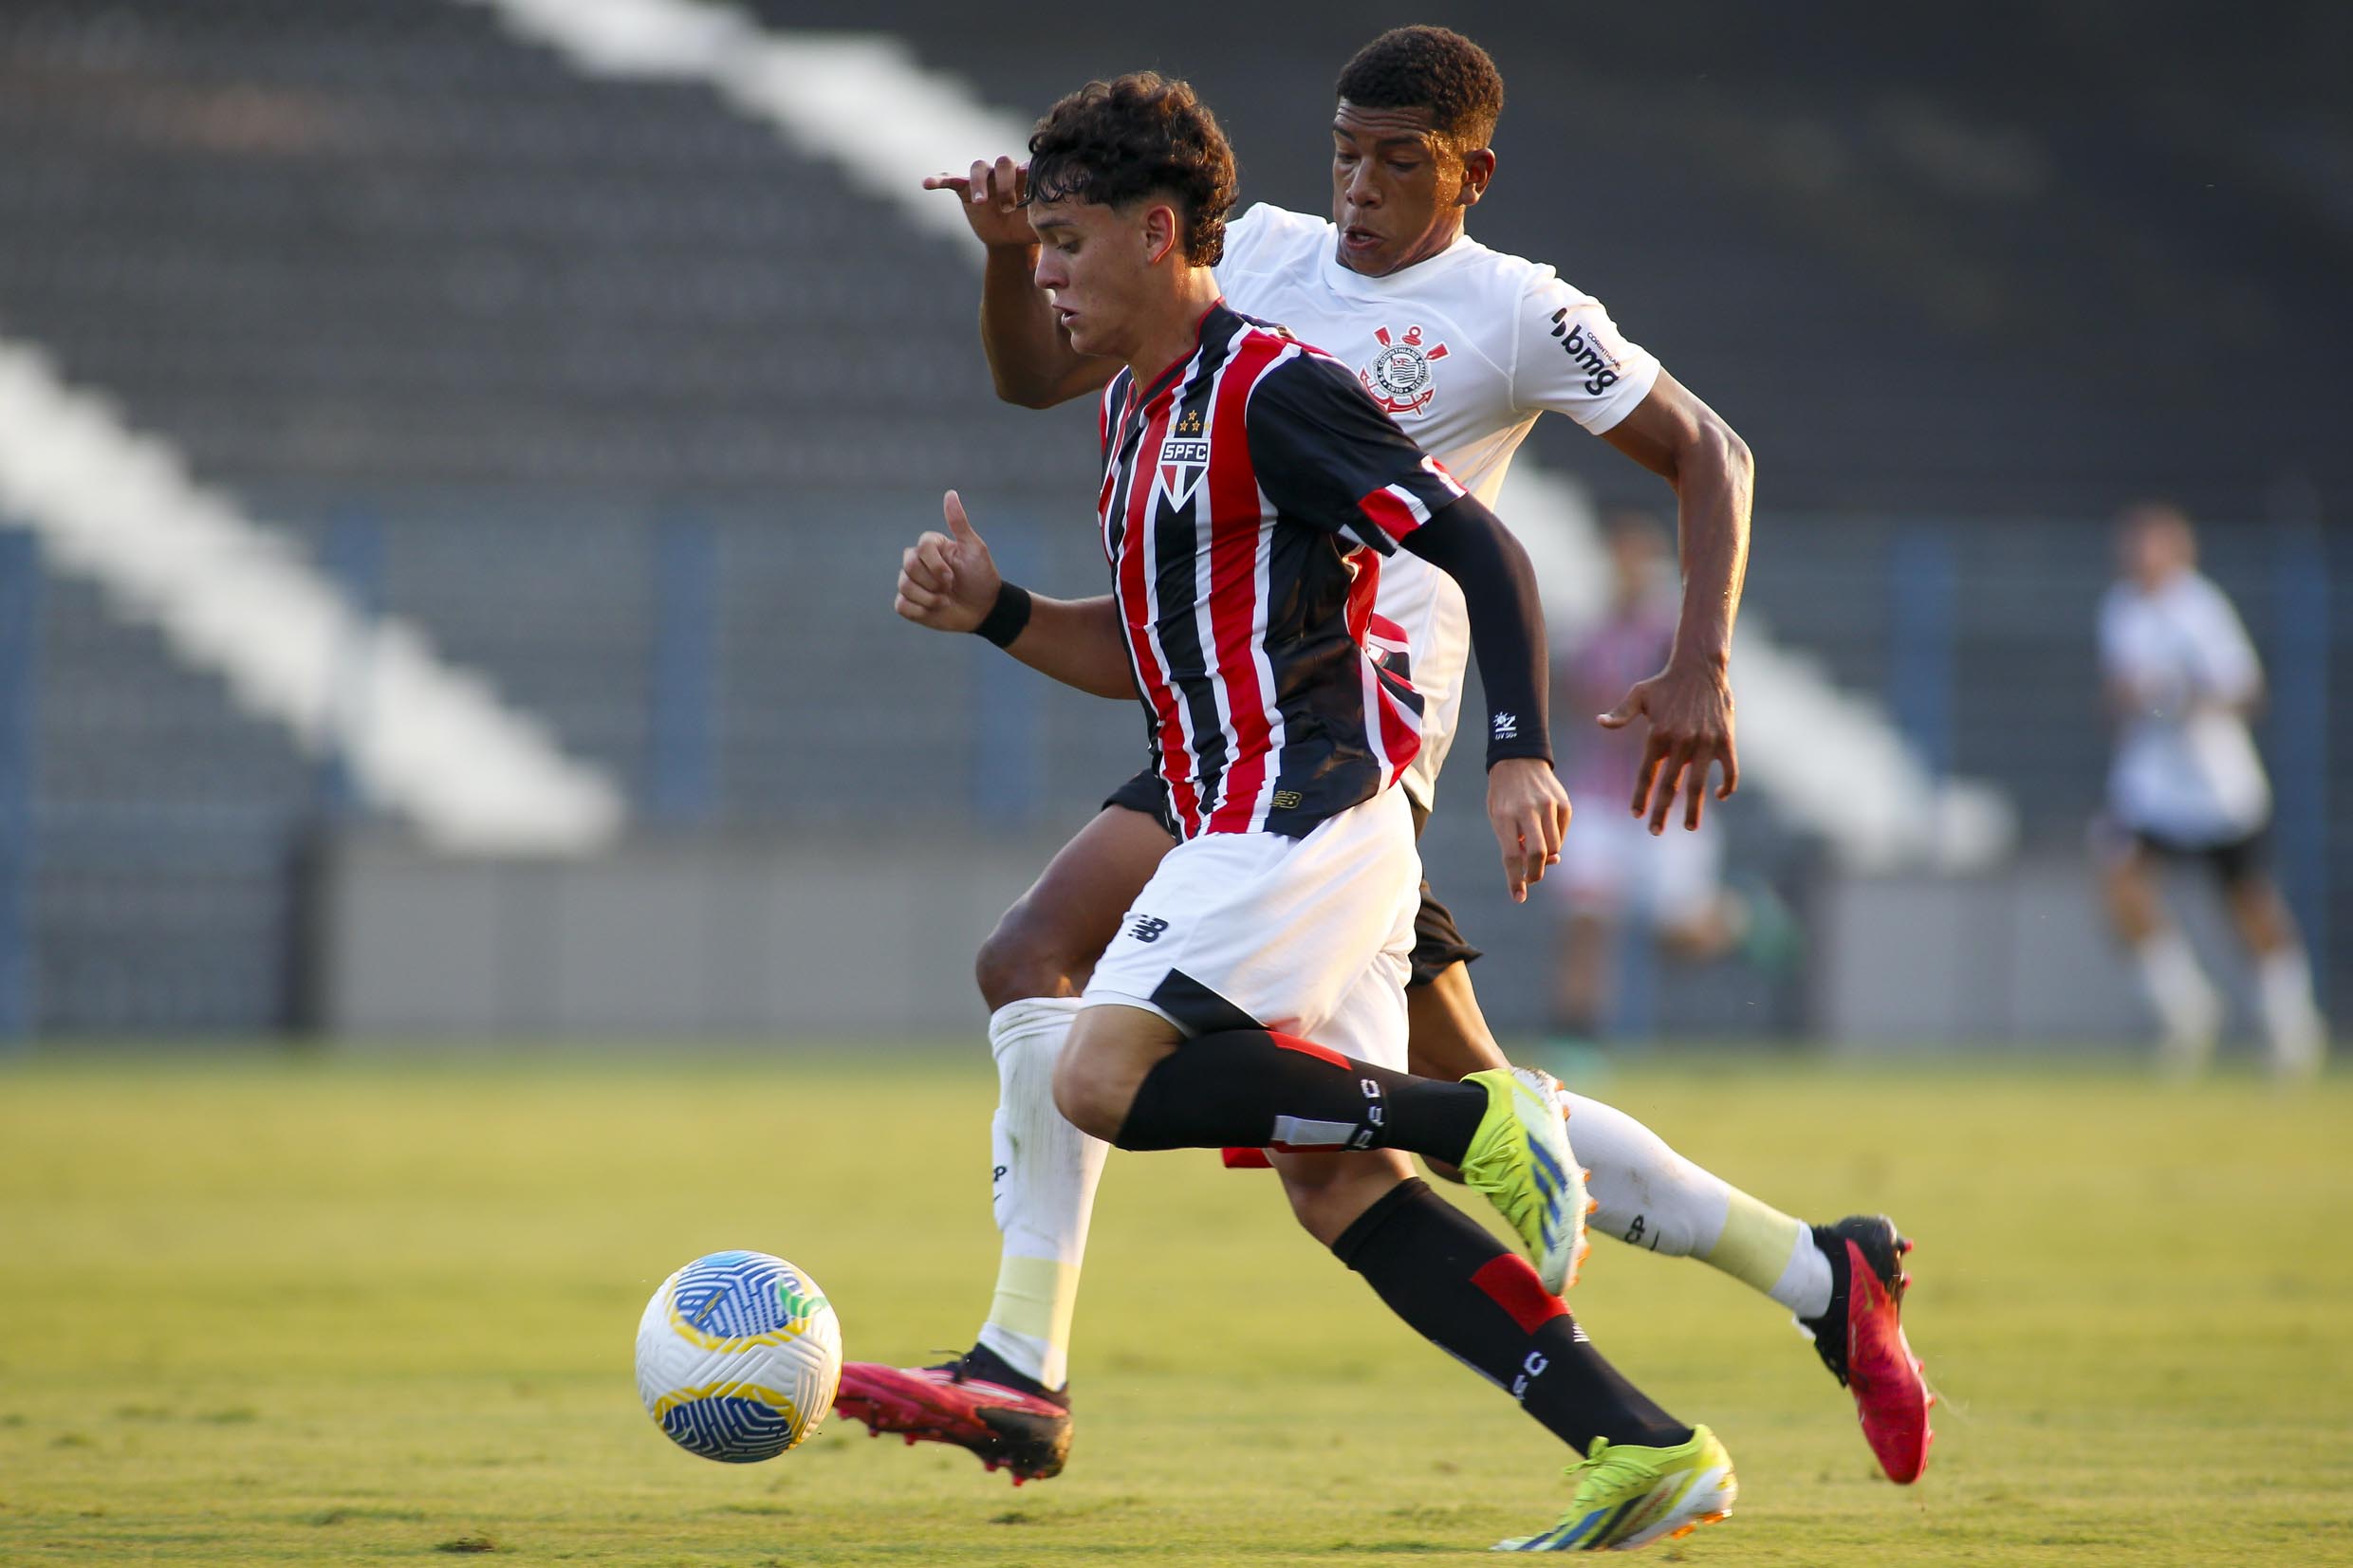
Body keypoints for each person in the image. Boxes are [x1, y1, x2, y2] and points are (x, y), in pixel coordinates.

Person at [843, 26, 1931, 1495]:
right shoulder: (1232, 284)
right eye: (1344, 149)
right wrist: (1012, 265)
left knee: (1144, 1031)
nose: (1355, 183)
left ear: (1473, 173)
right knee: (1316, 1137)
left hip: (1337, 740)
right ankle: (1764, 1319)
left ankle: (1029, 1358)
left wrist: (1653, 685)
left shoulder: (1505, 316)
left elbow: (1691, 461)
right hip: (1225, 723)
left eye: (1396, 159)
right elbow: (1050, 371)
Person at [2095, 502, 2327, 1078]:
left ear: (2180, 551)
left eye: (2153, 544)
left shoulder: (2200, 610)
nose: (2140, 555)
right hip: (2150, 788)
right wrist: (2131, 700)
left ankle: (2292, 1022)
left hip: (2216, 789)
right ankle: (2187, 1009)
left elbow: (2246, 691)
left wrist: (2184, 699)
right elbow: (2121, 692)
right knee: (2118, 883)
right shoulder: (2119, 609)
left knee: (2248, 906)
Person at [1547, 511, 1798, 1042]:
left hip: (1664, 798)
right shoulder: (1592, 635)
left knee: (1678, 935)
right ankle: (1575, 1042)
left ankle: (1742, 918)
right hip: (1599, 795)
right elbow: (1580, 703)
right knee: (1585, 919)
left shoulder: (1674, 634)